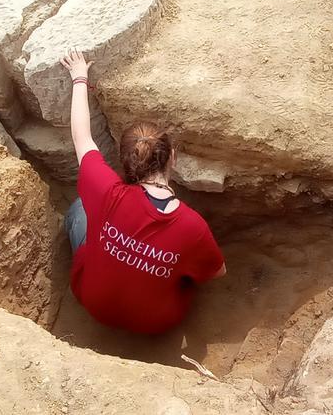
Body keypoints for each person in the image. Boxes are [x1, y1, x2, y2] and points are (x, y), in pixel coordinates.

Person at [60, 48, 226, 335]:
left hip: (94, 303)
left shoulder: (105, 190)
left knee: (79, 209)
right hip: (156, 323)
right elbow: (217, 272)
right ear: (172, 157)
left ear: (124, 160)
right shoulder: (192, 226)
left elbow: (81, 136)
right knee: (188, 266)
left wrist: (79, 77)